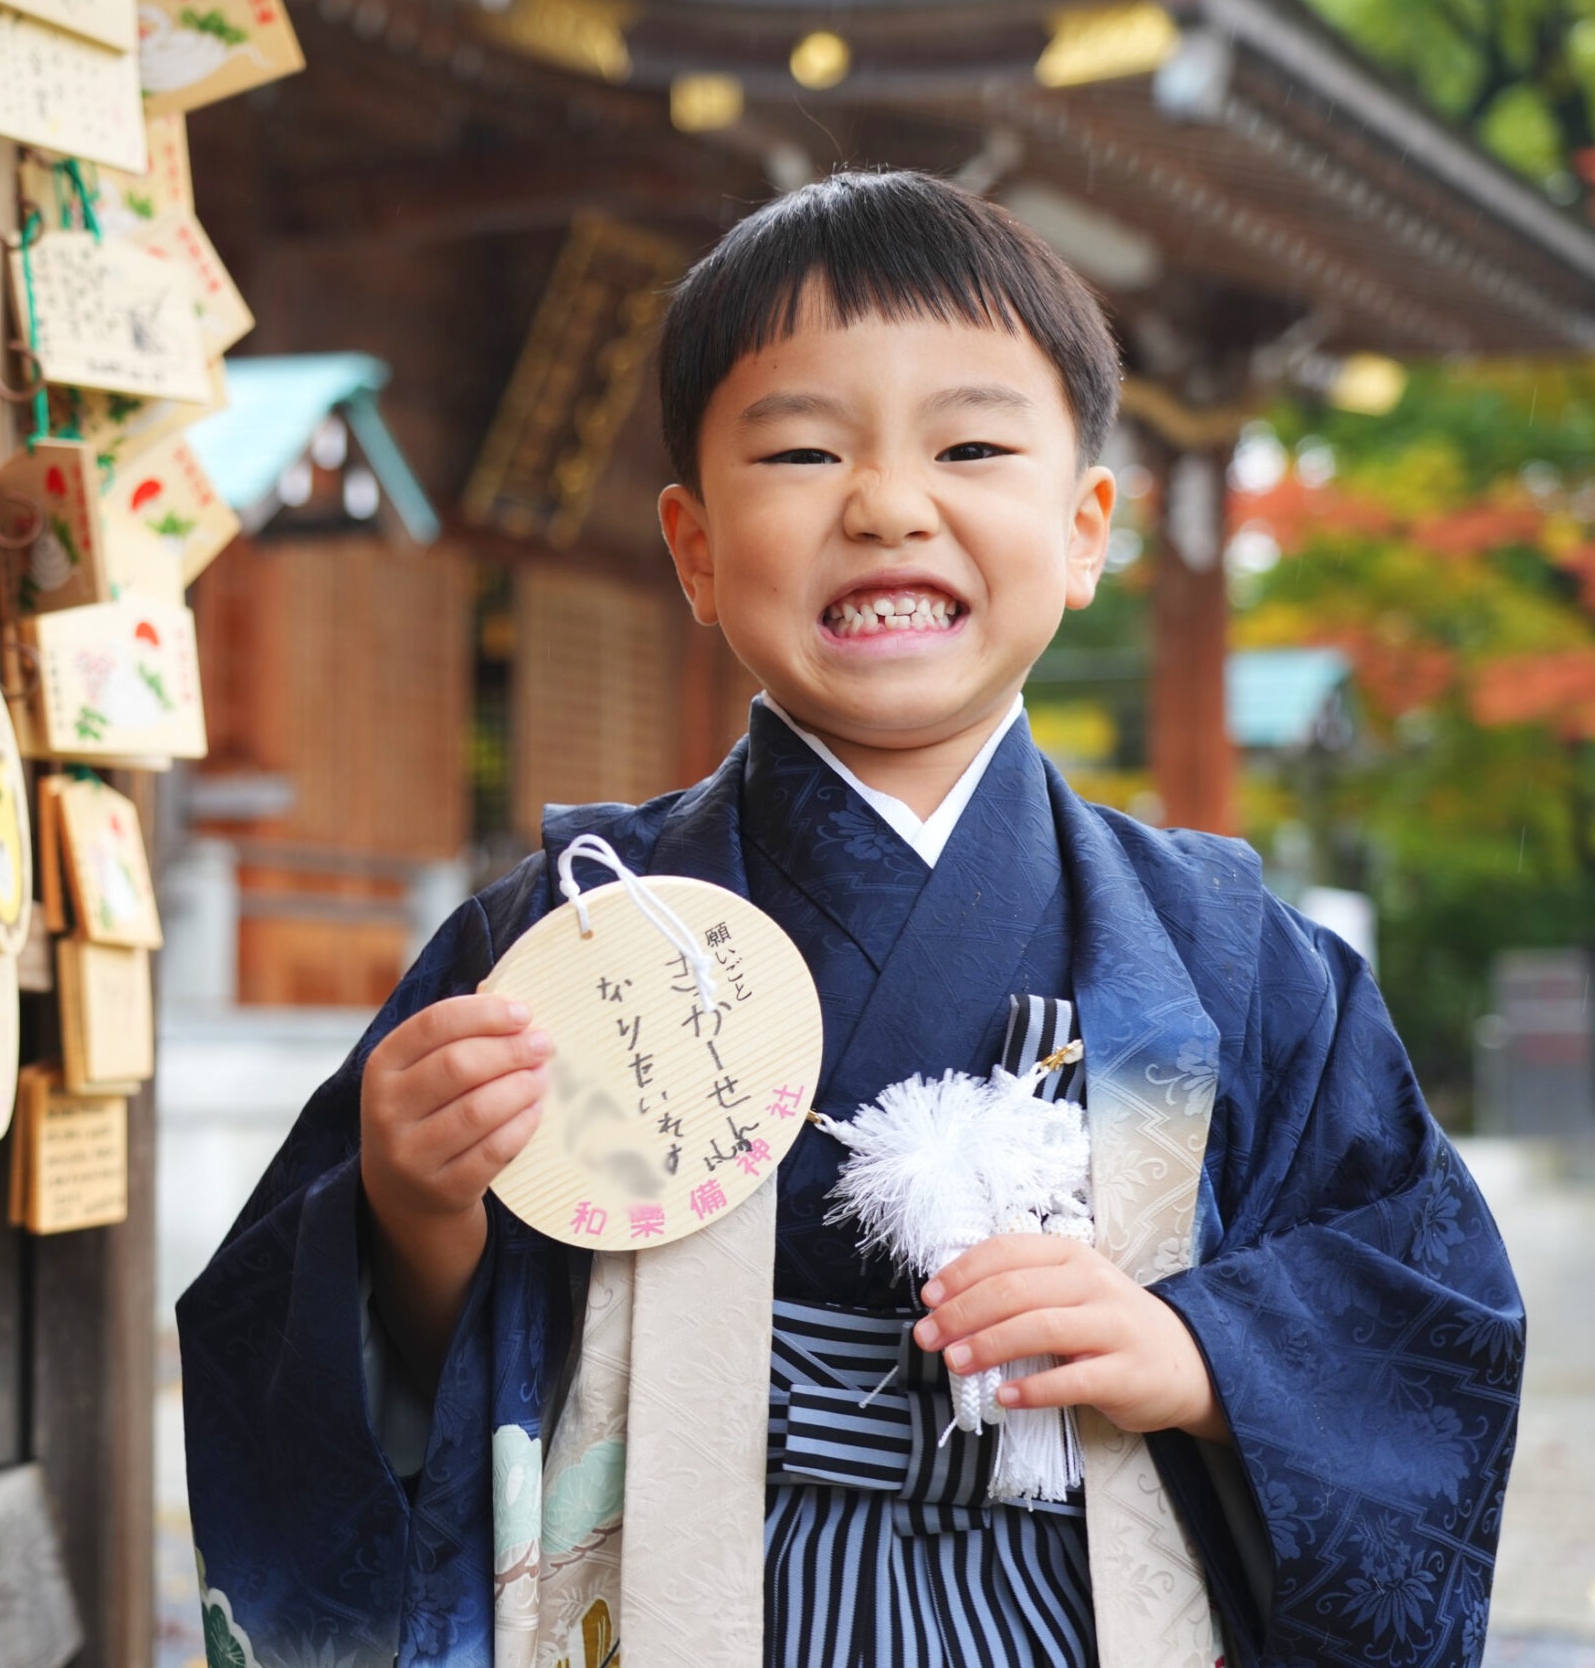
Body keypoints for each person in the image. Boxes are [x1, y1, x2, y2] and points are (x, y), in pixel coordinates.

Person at [180, 170, 1522, 1668]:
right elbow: (366, 1372)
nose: (887, 504)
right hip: (678, 1606)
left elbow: (1426, 1312)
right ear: (692, 547)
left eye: (970, 445)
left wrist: (1201, 1353)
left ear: (1085, 531)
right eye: (805, 449)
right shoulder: (559, 942)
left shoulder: (1227, 962)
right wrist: (414, 1210)